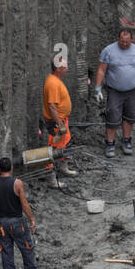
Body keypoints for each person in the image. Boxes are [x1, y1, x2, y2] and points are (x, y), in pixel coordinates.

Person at [92, 28, 135, 159]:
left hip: (132, 91)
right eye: (122, 41)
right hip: (114, 91)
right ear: (118, 39)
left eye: (127, 42)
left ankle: (126, 141)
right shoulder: (108, 51)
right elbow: (101, 70)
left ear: (131, 39)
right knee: (113, 117)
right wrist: (97, 88)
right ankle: (110, 143)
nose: (124, 44)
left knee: (130, 116)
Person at [0, 157, 40, 269]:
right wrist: (31, 219)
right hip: (17, 222)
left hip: (2, 223)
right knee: (26, 247)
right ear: (11, 168)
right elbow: (24, 204)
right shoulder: (17, 183)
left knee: (6, 251)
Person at [42, 58, 77, 188]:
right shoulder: (52, 83)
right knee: (52, 149)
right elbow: (52, 106)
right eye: (65, 67)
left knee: (65, 143)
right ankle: (51, 178)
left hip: (62, 121)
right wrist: (59, 124)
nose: (67, 69)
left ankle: (63, 167)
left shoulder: (56, 80)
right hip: (56, 123)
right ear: (58, 69)